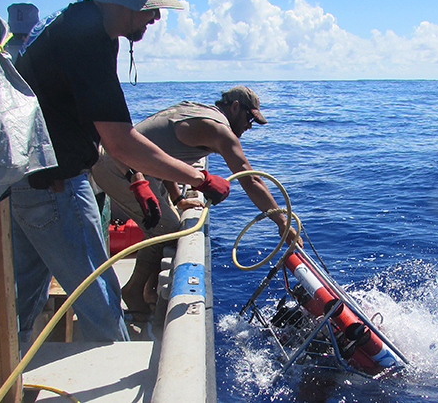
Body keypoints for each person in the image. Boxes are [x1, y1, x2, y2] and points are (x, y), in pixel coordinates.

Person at [11, 0, 230, 342]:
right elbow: (120, 142)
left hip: (22, 181)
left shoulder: (73, 22)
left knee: (19, 304)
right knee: (101, 304)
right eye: (150, 6)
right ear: (122, 0)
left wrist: (135, 178)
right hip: (54, 186)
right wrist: (199, 178)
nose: (156, 17)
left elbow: (88, 125)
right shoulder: (89, 38)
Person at [92, 86, 301, 318]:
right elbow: (250, 180)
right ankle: (133, 291)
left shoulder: (195, 111)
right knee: (167, 228)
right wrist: (282, 223)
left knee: (168, 221)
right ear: (234, 107)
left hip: (126, 164)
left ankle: (148, 291)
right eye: (249, 117)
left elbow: (165, 157)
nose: (250, 125)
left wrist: (178, 198)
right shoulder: (219, 131)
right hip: (119, 168)